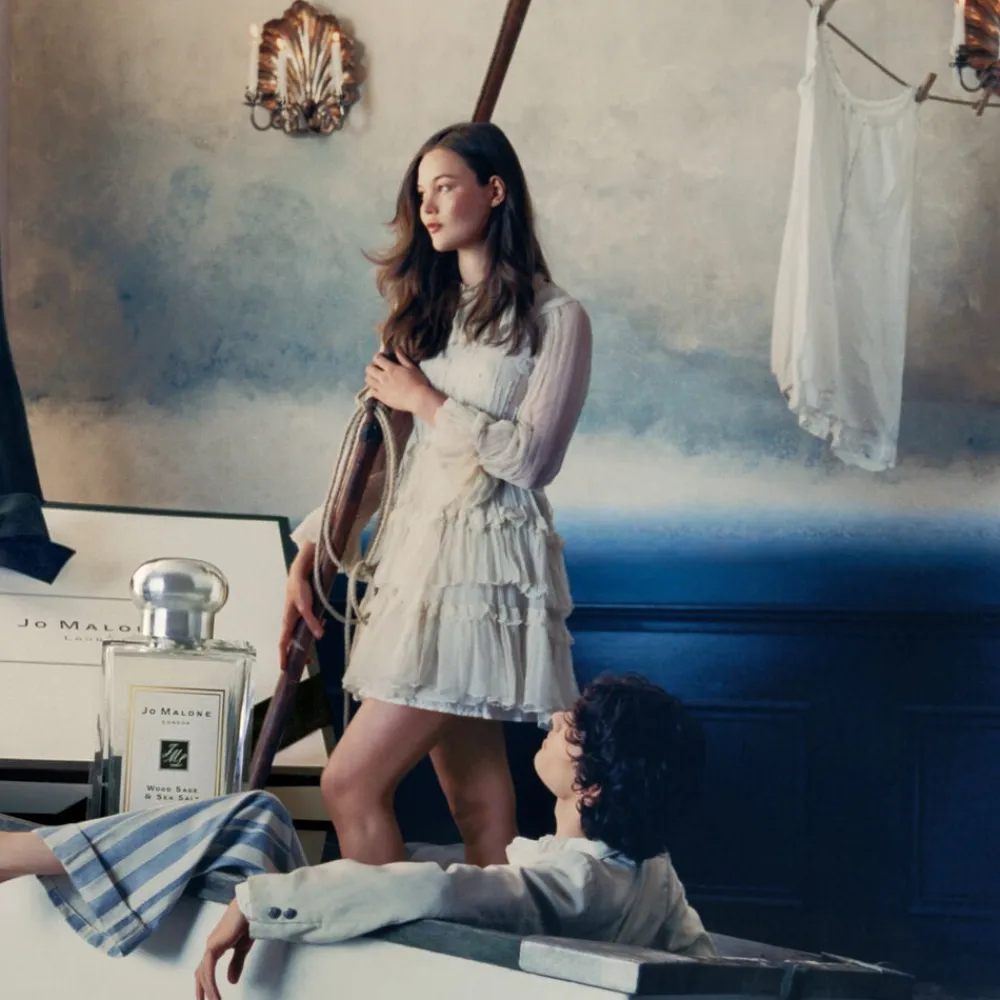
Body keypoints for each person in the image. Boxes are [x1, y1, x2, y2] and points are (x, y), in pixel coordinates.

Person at [282, 121, 593, 868]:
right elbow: (381, 465)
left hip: (480, 572)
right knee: (480, 808)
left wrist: (424, 399)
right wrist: (315, 546)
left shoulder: (556, 319)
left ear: (495, 190)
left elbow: (532, 461)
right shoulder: (426, 318)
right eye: (420, 192)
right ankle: (487, 944)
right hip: (416, 564)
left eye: (445, 187)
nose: (427, 207)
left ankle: (390, 939)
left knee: (349, 784)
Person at [193, 673, 714, 999]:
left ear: (590, 787)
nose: (555, 717)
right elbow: (706, 965)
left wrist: (258, 901)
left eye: (570, 730)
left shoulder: (576, 881)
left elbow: (438, 889)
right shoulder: (653, 870)